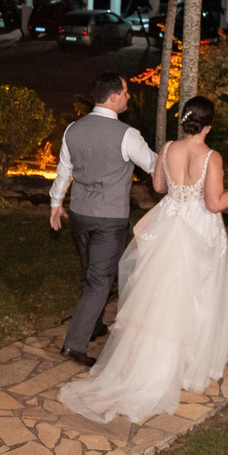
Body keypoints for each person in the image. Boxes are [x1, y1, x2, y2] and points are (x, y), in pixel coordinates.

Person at [58, 96, 228, 423]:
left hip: (168, 222)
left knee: (160, 297)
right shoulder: (211, 157)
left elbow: (158, 186)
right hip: (198, 229)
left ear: (184, 122)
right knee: (195, 297)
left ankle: (154, 359)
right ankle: (183, 366)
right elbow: (214, 203)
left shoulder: (168, 148)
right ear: (208, 126)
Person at [49, 73, 158, 367]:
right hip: (109, 219)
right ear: (112, 97)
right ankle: (74, 344)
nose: (128, 97)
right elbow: (153, 165)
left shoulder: (74, 128)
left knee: (91, 274)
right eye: (125, 92)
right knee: (99, 281)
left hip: (80, 215)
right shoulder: (127, 135)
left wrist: (56, 204)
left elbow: (63, 170)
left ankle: (94, 324)